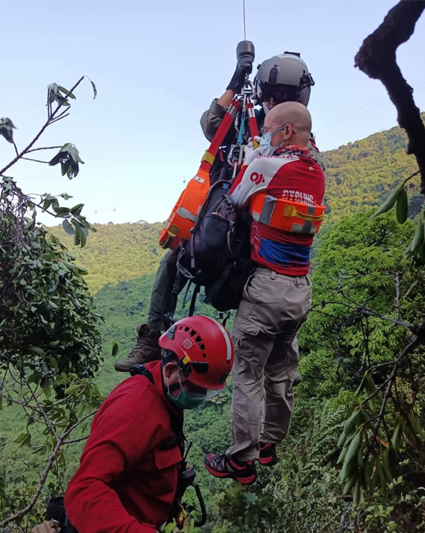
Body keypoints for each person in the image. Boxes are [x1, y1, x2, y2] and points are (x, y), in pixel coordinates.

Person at [115, 52, 323, 374]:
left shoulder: (296, 136)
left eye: (281, 97)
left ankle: (270, 363)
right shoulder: (246, 118)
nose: (274, 102)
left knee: (260, 288)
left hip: (255, 233)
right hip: (218, 216)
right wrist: (234, 82)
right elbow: (211, 124)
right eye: (271, 96)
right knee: (175, 258)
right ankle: (152, 338)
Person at [65, 316, 235, 533]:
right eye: (196, 389)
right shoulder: (133, 411)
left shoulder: (164, 395)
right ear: (171, 369)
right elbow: (83, 491)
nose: (199, 396)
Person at [203, 101, 325, 484]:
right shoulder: (319, 172)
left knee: (248, 374)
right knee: (282, 370)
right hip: (300, 289)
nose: (266, 138)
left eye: (270, 130)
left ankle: (241, 459)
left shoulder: (266, 166)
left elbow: (233, 200)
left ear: (286, 132)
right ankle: (270, 442)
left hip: (265, 291)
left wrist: (253, 155)